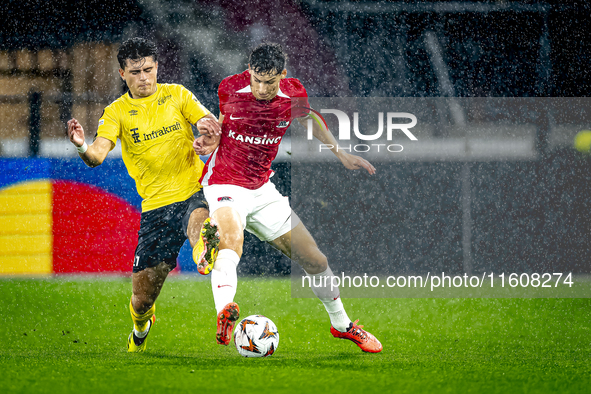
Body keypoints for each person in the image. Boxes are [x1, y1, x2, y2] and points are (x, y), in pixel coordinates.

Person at [194, 43, 382, 353]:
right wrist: (209, 141)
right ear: (249, 71)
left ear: (283, 74)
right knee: (230, 241)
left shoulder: (293, 94)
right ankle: (225, 313)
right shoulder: (230, 87)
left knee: (316, 260)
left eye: (270, 82)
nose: (262, 88)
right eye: (257, 79)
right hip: (225, 182)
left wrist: (340, 153)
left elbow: (311, 120)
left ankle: (343, 326)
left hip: (263, 189)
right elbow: (219, 125)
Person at [66, 37, 220, 353]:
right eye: (135, 72)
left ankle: (204, 248)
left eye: (148, 69)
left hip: (192, 191)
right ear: (122, 74)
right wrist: (81, 144)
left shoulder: (177, 95)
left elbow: (209, 124)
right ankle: (141, 327)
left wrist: (208, 135)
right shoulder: (117, 112)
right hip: (154, 210)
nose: (144, 77)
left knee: (199, 220)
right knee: (141, 298)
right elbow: (96, 156)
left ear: (157, 67)